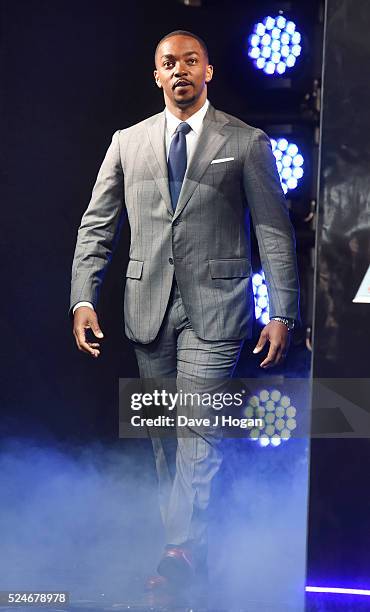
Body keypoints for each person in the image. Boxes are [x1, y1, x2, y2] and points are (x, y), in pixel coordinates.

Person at [70, 30, 300, 603]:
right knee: (165, 434)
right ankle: (196, 541)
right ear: (156, 75)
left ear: (209, 71)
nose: (180, 71)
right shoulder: (127, 142)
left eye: (190, 61)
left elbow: (274, 232)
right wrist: (82, 298)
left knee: (198, 427)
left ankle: (178, 553)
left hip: (217, 312)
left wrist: (284, 312)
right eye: (169, 63)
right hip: (147, 311)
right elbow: (97, 226)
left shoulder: (246, 143)